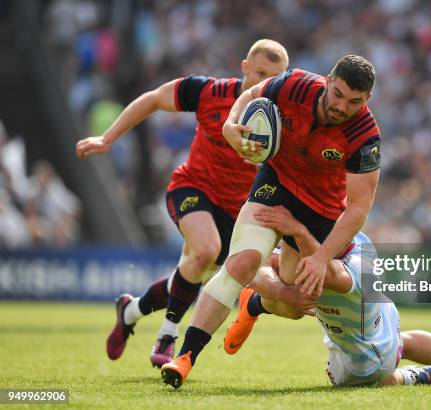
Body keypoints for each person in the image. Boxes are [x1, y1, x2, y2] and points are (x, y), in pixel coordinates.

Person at [161, 55, 383, 388]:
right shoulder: (294, 84)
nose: (341, 106)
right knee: (244, 261)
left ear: (367, 100)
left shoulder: (365, 136)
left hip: (321, 214)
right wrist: (230, 124)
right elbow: (250, 95)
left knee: (296, 304)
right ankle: (185, 356)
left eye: (354, 102)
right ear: (327, 80)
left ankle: (256, 303)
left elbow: (358, 209)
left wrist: (322, 257)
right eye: (337, 94)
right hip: (275, 185)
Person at [75, 39, 289, 367]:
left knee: (191, 274)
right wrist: (108, 138)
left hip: (238, 212)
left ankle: (130, 310)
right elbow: (154, 99)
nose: (264, 83)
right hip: (193, 188)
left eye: (273, 78)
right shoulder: (208, 91)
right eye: (259, 73)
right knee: (203, 251)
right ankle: (168, 333)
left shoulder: (286, 118)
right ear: (244, 66)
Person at [231, 205, 431, 387]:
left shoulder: (351, 270)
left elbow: (324, 270)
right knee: (404, 342)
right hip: (376, 328)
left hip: (364, 358)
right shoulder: (356, 241)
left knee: (378, 376)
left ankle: (409, 377)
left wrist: (296, 229)